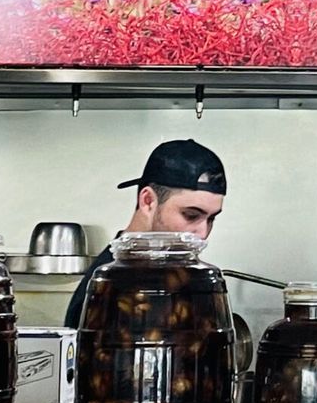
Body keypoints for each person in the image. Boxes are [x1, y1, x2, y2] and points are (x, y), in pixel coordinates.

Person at [64, 139, 228, 330]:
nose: (203, 234)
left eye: (211, 219)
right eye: (191, 215)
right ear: (148, 201)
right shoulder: (106, 287)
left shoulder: (188, 279)